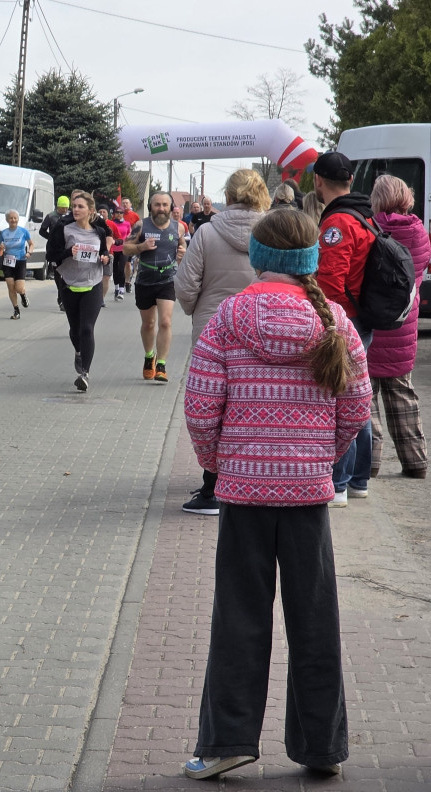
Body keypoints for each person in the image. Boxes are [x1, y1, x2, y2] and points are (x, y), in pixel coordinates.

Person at [183, 209, 371, 780]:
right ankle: (322, 747)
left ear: (259, 259)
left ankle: (227, 743)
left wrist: (220, 465)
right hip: (309, 496)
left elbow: (200, 406)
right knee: (316, 619)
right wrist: (321, 459)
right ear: (310, 260)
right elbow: (356, 408)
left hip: (243, 495)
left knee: (239, 616)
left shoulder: (227, 318)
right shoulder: (334, 319)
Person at [175, 169, 271, 514]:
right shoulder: (272, 232)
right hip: (262, 324)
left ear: (228, 196)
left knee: (212, 407)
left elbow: (185, 286)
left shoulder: (207, 233)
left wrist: (195, 310)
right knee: (253, 403)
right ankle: (250, 478)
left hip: (213, 329)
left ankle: (212, 487)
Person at [313, 150, 376, 506]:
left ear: (318, 181)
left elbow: (332, 283)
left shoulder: (337, 223)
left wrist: (326, 322)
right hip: (361, 318)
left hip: (344, 319)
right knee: (358, 396)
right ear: (350, 180)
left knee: (343, 397)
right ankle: (359, 479)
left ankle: (340, 483)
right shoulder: (364, 214)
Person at [367, 174, 429, 479]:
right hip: (404, 323)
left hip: (372, 322)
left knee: (367, 396)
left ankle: (370, 462)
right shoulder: (420, 233)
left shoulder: (369, 229)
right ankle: (415, 460)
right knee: (402, 392)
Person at [46, 192, 113, 391]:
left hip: (92, 284)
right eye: (74, 206)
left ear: (90, 211)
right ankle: (78, 351)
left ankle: (85, 373)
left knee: (87, 328)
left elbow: (104, 252)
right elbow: (51, 255)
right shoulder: (64, 229)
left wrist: (105, 258)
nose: (75, 209)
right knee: (75, 330)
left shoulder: (99, 231)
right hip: (69, 283)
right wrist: (69, 252)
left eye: (80, 206)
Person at [122, 192, 186, 384]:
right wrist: (141, 247)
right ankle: (149, 356)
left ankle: (162, 365)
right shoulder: (141, 225)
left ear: (171, 207)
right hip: (145, 279)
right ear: (151, 206)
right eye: (157, 205)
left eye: (165, 205)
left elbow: (182, 247)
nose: (161, 208)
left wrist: (183, 253)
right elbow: (126, 248)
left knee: (165, 322)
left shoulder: (178, 228)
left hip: (167, 279)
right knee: (149, 324)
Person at [0, 209, 33, 318]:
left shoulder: (23, 231)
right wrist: (1, 248)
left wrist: (29, 252)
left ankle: (23, 295)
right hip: (8, 261)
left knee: (19, 288)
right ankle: (16, 310)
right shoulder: (3, 233)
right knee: (10, 286)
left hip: (20, 261)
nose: (13, 220)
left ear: (18, 219)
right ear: (7, 220)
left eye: (15, 218)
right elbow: (0, 250)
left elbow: (31, 244)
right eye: (11, 218)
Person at [40, 195, 71, 310]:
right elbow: (41, 231)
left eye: (67, 208)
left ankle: (65, 297)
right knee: (58, 275)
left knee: (66, 274)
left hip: (67, 249)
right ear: (58, 206)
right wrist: (51, 238)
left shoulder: (70, 216)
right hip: (54, 249)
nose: (65, 210)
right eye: (63, 208)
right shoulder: (51, 216)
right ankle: (61, 299)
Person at [110, 206, 131, 301]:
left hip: (124, 248)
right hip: (114, 248)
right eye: (117, 212)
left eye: (121, 212)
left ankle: (122, 290)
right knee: (115, 269)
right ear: (114, 214)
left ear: (123, 214)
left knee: (121, 268)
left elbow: (129, 234)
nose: (119, 214)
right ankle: (116, 287)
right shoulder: (112, 223)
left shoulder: (127, 224)